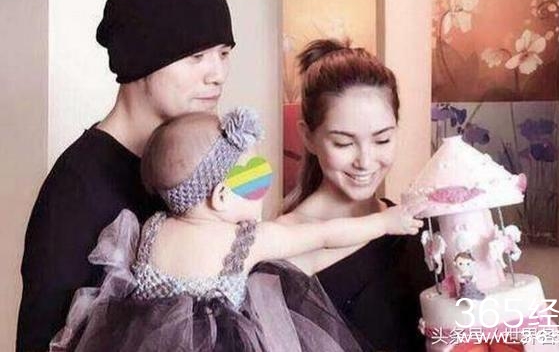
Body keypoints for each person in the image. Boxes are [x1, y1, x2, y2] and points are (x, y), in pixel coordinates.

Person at [50, 108, 423, 351]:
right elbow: (324, 235)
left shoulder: (150, 228)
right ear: (222, 196)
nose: (262, 191)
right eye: (254, 180)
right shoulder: (244, 241)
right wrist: (384, 222)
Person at [17, 0, 236, 352]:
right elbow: (40, 339)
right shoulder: (76, 188)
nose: (217, 74)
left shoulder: (207, 155)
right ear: (141, 58)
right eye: (197, 56)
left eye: (223, 53)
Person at [280, 39, 436, 352]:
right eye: (343, 143)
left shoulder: (419, 229)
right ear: (308, 136)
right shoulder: (283, 243)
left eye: (382, 140)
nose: (365, 161)